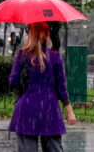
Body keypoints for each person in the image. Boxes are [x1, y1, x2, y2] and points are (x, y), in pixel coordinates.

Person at [8, 22, 76, 152]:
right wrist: (69, 111)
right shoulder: (55, 57)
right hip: (50, 110)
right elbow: (61, 88)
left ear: (31, 35)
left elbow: (13, 81)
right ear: (47, 35)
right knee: (53, 148)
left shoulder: (22, 55)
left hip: (26, 109)